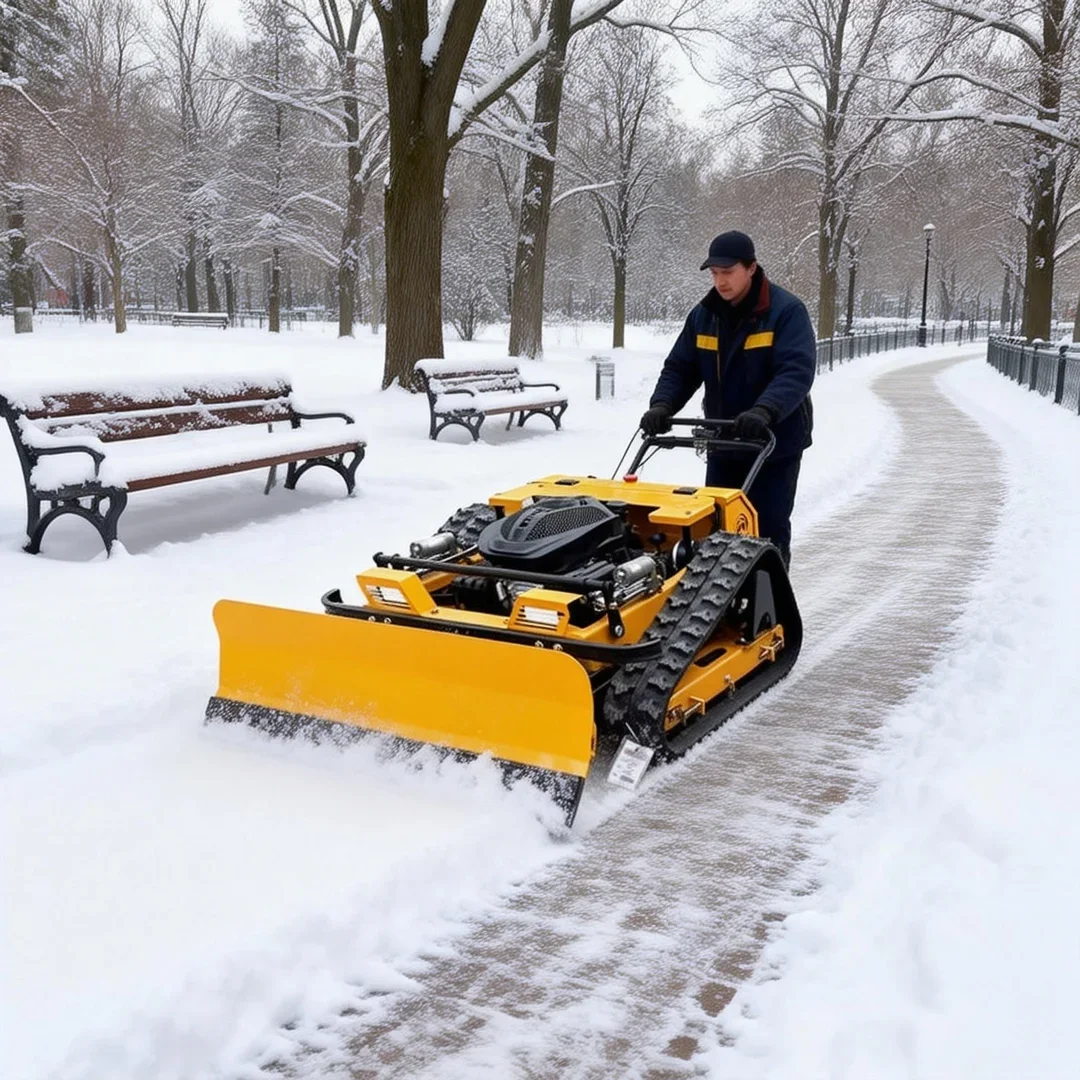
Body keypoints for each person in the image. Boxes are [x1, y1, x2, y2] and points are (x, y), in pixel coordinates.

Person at [639, 230, 815, 567]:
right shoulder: (704, 316)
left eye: (728, 272)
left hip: (773, 442)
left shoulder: (786, 312)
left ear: (751, 268)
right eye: (715, 273)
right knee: (717, 527)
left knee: (766, 528)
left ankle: (770, 610)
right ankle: (720, 604)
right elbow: (680, 367)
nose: (720, 282)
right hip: (724, 439)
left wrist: (765, 410)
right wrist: (662, 405)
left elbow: (795, 371)